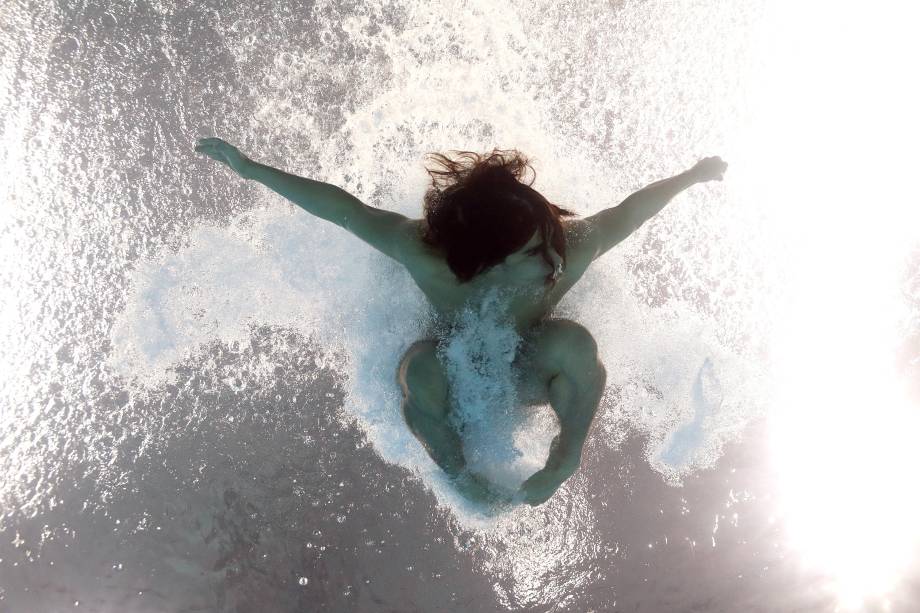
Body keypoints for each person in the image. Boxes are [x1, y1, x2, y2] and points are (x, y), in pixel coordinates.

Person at [195, 137, 727, 507]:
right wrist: (250, 169)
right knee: (421, 367)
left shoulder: (571, 247)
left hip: (529, 371)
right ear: (486, 258)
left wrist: (692, 176)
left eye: (551, 238)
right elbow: (345, 211)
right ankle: (457, 472)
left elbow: (630, 212)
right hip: (453, 373)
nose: (556, 263)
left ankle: (567, 454)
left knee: (575, 343)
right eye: (534, 253)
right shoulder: (429, 260)